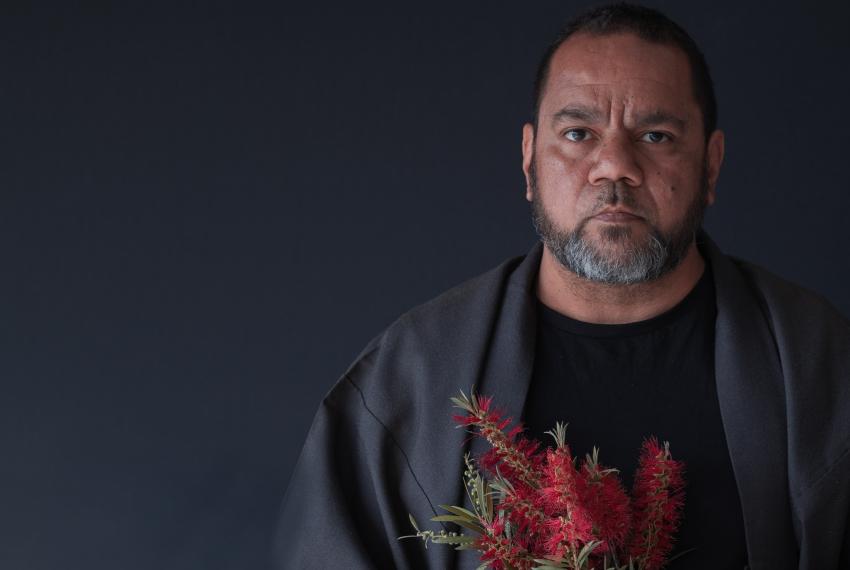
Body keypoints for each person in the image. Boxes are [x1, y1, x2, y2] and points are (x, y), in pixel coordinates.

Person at [274, 4, 850, 569]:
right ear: (529, 160)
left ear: (711, 165)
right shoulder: (413, 377)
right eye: (578, 133)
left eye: (655, 136)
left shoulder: (819, 364)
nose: (613, 166)